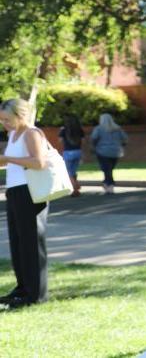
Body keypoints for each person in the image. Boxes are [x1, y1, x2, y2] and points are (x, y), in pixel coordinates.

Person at [0, 98, 50, 309]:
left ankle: (36, 294)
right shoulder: (13, 134)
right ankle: (22, 288)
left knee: (31, 243)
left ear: (21, 115)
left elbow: (39, 163)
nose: (4, 124)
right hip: (15, 191)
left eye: (8, 119)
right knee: (17, 242)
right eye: (2, 120)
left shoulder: (31, 133)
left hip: (31, 192)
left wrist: (9, 159)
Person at [90, 113, 127, 195]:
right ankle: (107, 184)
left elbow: (94, 138)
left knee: (106, 169)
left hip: (102, 151)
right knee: (109, 169)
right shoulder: (118, 129)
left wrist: (94, 147)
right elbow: (125, 139)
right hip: (115, 151)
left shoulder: (99, 129)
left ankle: (109, 185)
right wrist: (120, 145)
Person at [59, 114, 84, 197]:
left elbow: (60, 141)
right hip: (78, 151)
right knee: (73, 171)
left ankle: (75, 187)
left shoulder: (64, 130)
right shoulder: (79, 130)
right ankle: (75, 190)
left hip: (68, 151)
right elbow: (83, 140)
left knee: (68, 172)